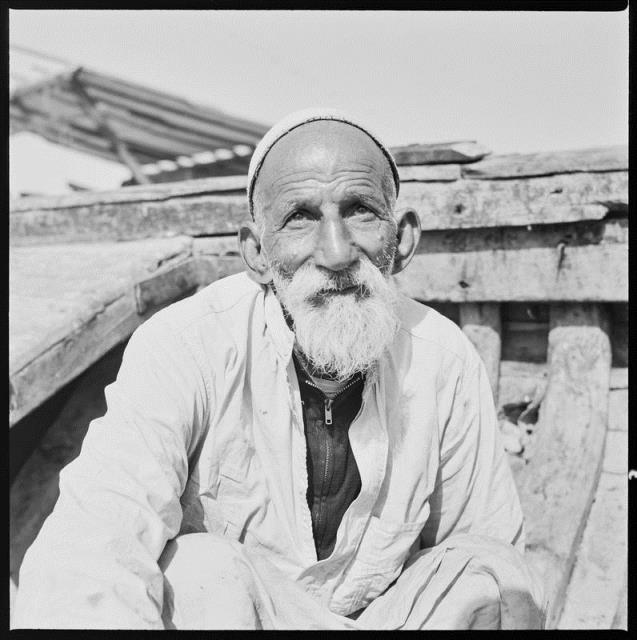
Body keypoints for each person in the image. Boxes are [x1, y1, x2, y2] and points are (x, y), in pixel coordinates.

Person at [12, 108, 546, 630]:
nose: (336, 252)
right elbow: (98, 541)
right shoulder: (187, 344)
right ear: (256, 253)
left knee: (492, 574)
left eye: (360, 211)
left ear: (401, 239)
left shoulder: (443, 358)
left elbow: (485, 538)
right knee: (197, 572)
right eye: (300, 218)